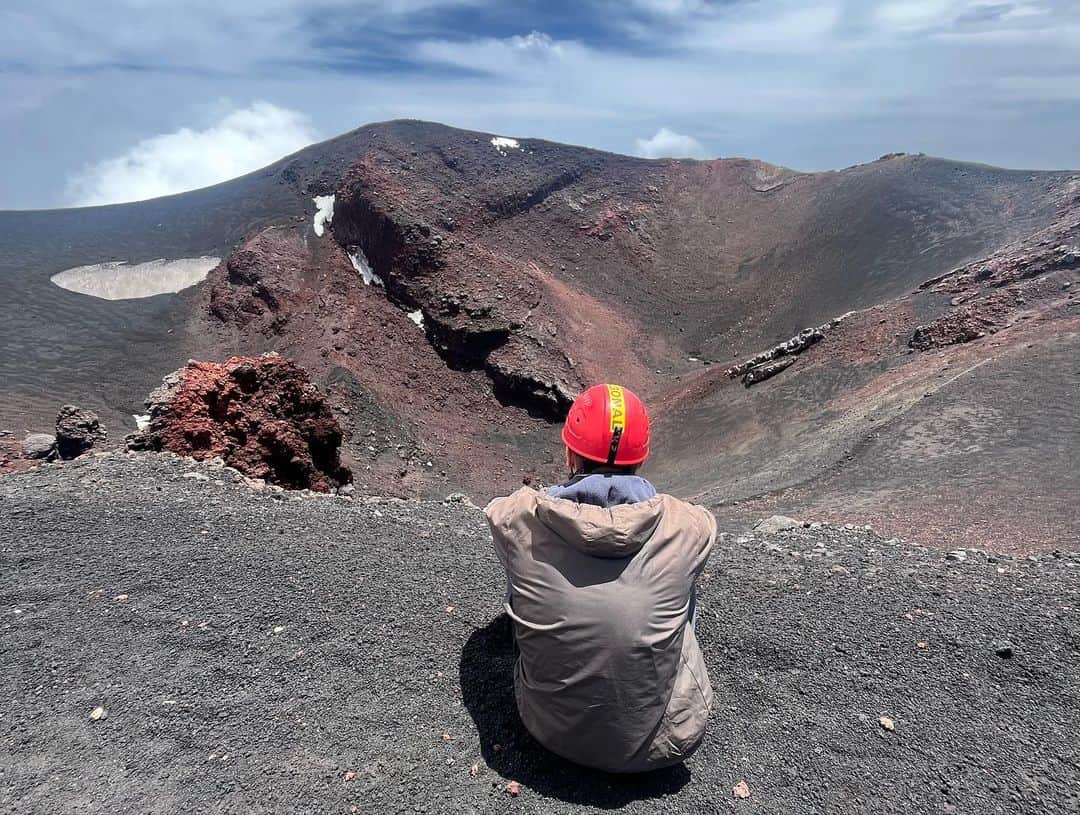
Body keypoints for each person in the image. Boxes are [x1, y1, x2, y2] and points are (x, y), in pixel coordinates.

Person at [484, 383, 717, 773]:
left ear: (569, 452)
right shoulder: (689, 526)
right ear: (641, 458)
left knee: (524, 571)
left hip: (547, 731)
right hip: (665, 744)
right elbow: (706, 523)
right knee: (677, 585)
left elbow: (495, 510)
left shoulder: (516, 516)